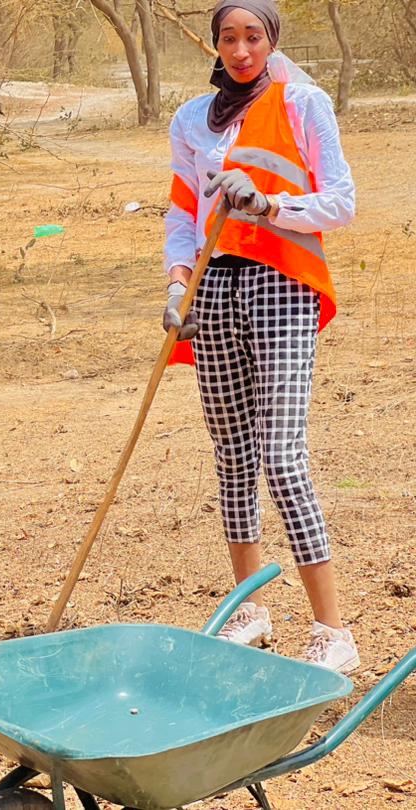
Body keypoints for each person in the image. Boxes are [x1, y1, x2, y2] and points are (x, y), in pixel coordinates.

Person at [162, 0, 358, 672]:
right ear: (214, 44)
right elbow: (185, 209)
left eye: (253, 36)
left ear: (271, 39)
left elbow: (342, 201)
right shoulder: (191, 119)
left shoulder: (304, 103)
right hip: (214, 286)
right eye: (228, 38)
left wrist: (269, 204)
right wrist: (176, 283)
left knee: (280, 456)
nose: (240, 49)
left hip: (283, 279)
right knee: (232, 457)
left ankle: (332, 631)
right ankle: (250, 611)